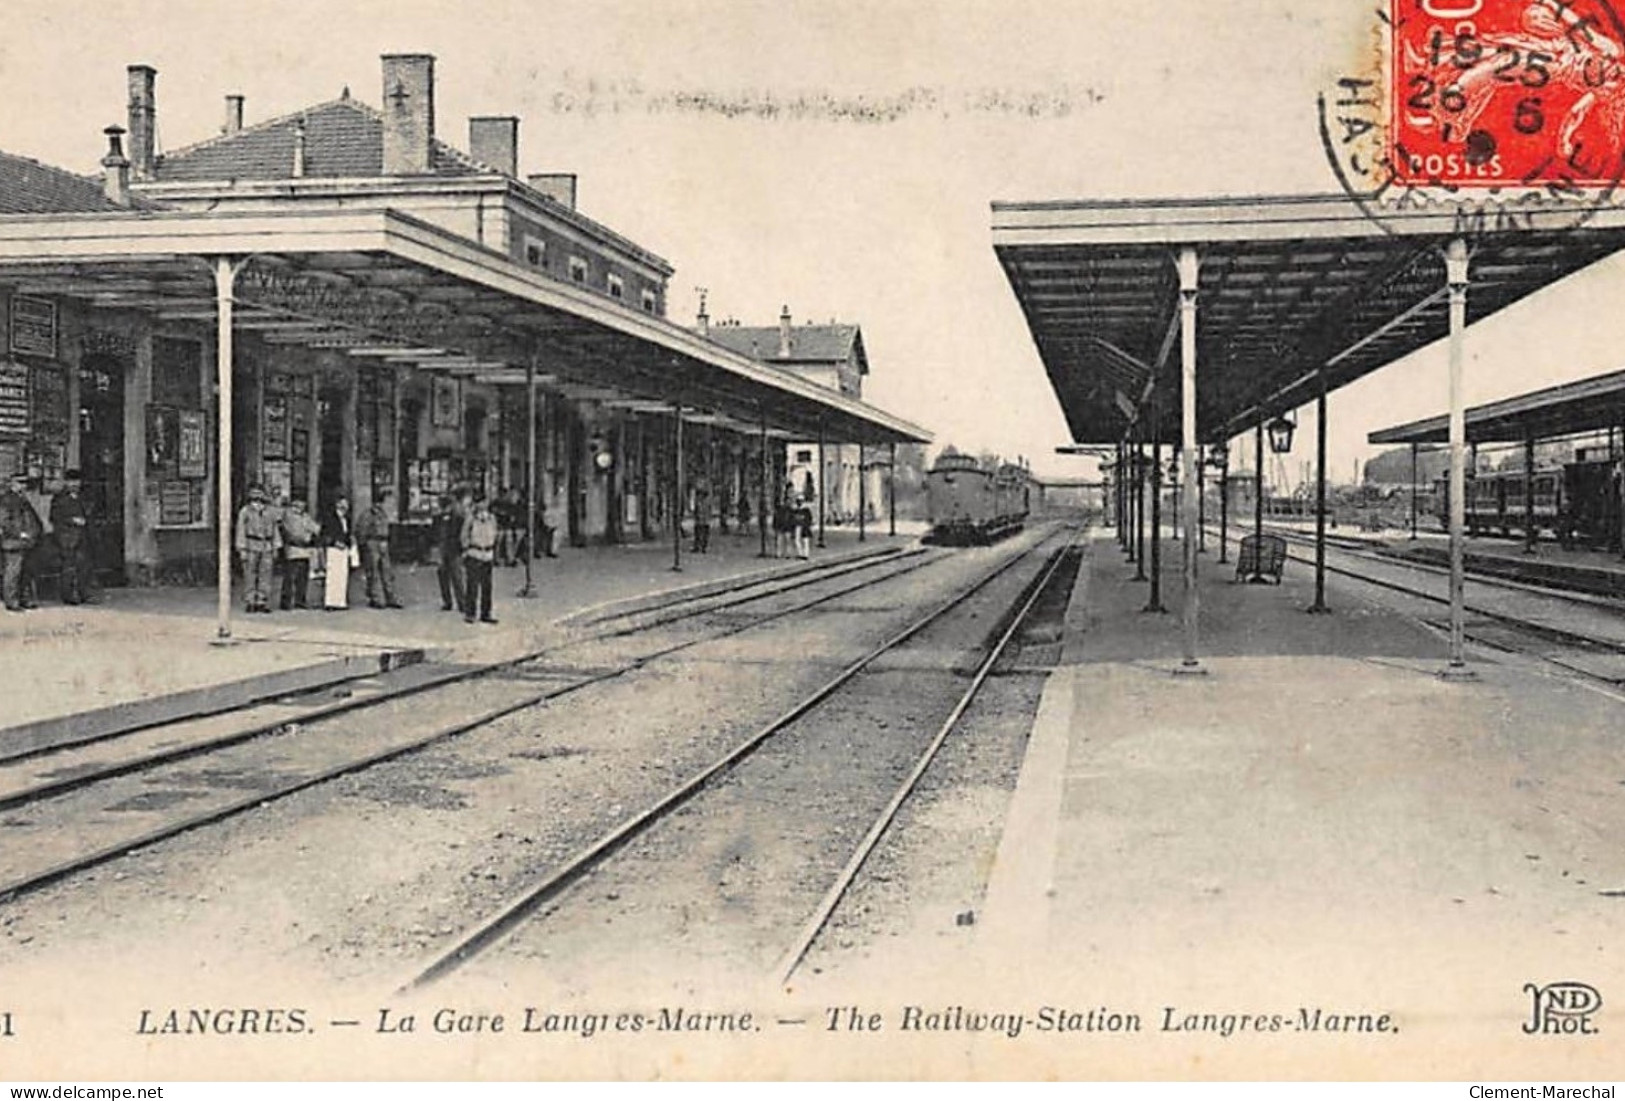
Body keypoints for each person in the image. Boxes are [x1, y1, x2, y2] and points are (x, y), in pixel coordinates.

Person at [235, 483, 281, 614]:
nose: (257, 496)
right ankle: (250, 600)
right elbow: (241, 530)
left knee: (266, 574)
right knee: (250, 573)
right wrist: (241, 548)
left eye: (259, 493)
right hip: (251, 544)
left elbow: (274, 529)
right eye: (254, 493)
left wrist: (276, 546)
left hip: (266, 544)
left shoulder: (269, 511)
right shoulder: (245, 511)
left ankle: (263, 601)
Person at [0, 474, 42, 611]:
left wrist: (35, 532)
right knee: (13, 573)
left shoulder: (22, 499)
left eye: (25, 483)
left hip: (26, 541)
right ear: (12, 484)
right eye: (20, 483)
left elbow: (31, 518)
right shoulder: (6, 499)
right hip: (13, 542)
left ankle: (24, 599)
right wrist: (20, 533)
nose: (23, 486)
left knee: (26, 572)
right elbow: (4, 521)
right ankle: (11, 601)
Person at [49, 470, 92, 605]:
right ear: (66, 482)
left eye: (77, 481)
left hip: (82, 536)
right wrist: (72, 520)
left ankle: (84, 593)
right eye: (72, 481)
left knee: (84, 566)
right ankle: (68, 595)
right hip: (67, 538)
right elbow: (54, 517)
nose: (75, 484)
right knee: (68, 567)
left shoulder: (83, 497)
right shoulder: (59, 498)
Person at [355, 489, 402, 609]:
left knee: (387, 571)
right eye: (389, 500)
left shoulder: (384, 513)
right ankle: (375, 598)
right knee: (373, 571)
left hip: (383, 542)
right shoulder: (369, 514)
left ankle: (390, 597)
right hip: (373, 542)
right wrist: (364, 545)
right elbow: (361, 530)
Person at [462, 495, 499, 624]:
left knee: (487, 586)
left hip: (487, 554)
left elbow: (495, 533)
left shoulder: (492, 518)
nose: (482, 505)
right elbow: (464, 535)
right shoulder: (471, 519)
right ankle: (470, 613)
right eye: (479, 503)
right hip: (474, 553)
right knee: (472, 586)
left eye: (484, 502)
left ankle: (486, 613)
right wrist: (466, 549)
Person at [279, 498, 320, 610]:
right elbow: (289, 532)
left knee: (302, 577)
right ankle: (286, 601)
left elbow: (315, 528)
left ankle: (300, 600)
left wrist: (315, 532)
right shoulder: (287, 516)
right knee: (290, 577)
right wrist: (303, 537)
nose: (301, 507)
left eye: (303, 505)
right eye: (299, 505)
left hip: (305, 550)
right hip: (293, 549)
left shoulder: (306, 516)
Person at [434, 490, 468, 614]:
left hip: (452, 549)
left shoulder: (457, 517)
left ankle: (460, 603)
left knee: (456, 577)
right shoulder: (440, 518)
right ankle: (450, 602)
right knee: (445, 576)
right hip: (445, 549)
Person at [320, 495, 355, 611]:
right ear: (337, 504)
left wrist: (350, 543)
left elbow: (347, 534)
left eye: (346, 504)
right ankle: (330, 602)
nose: (345, 507)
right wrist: (334, 542)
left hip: (344, 549)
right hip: (333, 549)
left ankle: (340, 601)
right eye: (342, 504)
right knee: (333, 575)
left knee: (342, 575)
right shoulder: (330, 518)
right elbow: (325, 533)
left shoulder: (346, 519)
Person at [691, 483, 712, 554]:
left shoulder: (701, 502)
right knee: (702, 534)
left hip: (702, 520)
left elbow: (698, 511)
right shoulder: (705, 501)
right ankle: (701, 547)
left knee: (700, 533)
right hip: (704, 520)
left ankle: (701, 547)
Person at [795, 495, 814, 559]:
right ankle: (800, 553)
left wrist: (808, 525)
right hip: (798, 526)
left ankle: (805, 554)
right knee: (798, 540)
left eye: (800, 501)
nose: (799, 502)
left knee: (805, 540)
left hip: (804, 527)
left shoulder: (806, 510)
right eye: (798, 501)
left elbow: (809, 519)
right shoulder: (797, 509)